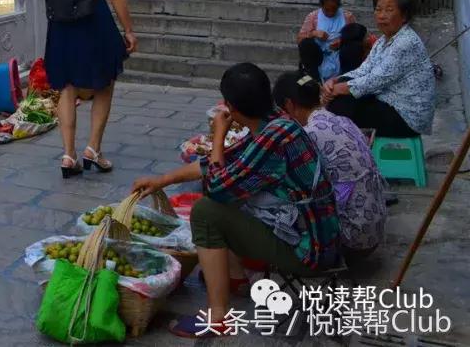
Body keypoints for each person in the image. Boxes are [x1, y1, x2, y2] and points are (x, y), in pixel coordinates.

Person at [132, 63, 340, 338]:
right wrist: (161, 180)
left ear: (230, 107)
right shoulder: (275, 121)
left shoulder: (274, 137)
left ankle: (218, 317)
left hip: (309, 251)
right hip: (313, 234)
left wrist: (218, 134)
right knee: (229, 194)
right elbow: (223, 163)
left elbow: (216, 186)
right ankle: (236, 278)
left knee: (206, 211)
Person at [39, 0, 137, 178]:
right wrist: (128, 29)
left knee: (66, 87)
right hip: (94, 20)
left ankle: (68, 155)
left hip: (62, 26)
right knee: (104, 83)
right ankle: (93, 148)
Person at [273, 71, 386, 263]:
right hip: (373, 232)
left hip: (350, 241)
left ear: (290, 105)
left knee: (272, 206)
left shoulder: (308, 134)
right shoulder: (342, 120)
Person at [322, 0, 436, 138]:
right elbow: (364, 70)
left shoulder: (406, 42)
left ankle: (346, 145)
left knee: (341, 104)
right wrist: (335, 81)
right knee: (341, 94)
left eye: (389, 10)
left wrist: (339, 89)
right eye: (378, 10)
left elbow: (375, 80)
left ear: (404, 16)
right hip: (388, 99)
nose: (382, 16)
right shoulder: (383, 41)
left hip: (407, 116)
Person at [297, 0, 368, 81]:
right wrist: (313, 33)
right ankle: (314, 78)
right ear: (321, 6)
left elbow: (359, 36)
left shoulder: (347, 17)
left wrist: (342, 42)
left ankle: (346, 79)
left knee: (354, 47)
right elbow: (299, 39)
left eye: (334, 9)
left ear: (338, 6)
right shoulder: (313, 17)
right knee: (306, 45)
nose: (330, 13)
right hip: (319, 56)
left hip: (340, 56)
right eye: (327, 10)